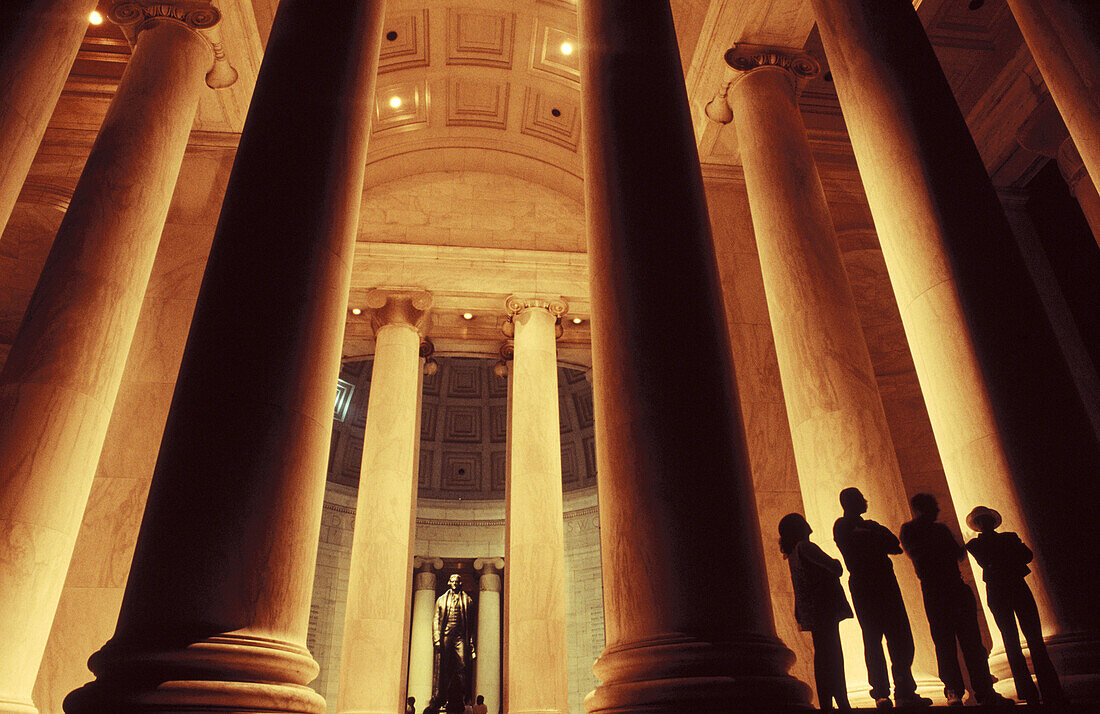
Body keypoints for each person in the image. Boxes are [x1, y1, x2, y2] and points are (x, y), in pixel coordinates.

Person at [900, 494, 1012, 706]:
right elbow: (947, 554)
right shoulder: (917, 530)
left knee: (967, 642)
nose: (938, 510)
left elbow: (952, 553)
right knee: (947, 643)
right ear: (923, 508)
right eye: (934, 506)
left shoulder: (930, 530)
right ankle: (957, 690)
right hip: (939, 590)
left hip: (947, 589)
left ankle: (980, 690)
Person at [834, 487, 931, 709]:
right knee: (874, 639)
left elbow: (894, 545)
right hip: (867, 586)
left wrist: (867, 536)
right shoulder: (842, 525)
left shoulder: (869, 526)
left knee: (900, 639)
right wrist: (873, 539)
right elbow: (862, 544)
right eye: (860, 498)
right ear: (850, 502)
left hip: (884, 584)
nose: (864, 501)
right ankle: (881, 693)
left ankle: (904, 691)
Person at [965, 506, 1066, 705]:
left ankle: (1034, 691)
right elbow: (1025, 556)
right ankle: (1047, 689)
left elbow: (1022, 556)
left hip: (1000, 590)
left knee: (1019, 640)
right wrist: (1008, 558)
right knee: (1023, 640)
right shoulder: (1007, 539)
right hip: (1014, 587)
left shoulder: (979, 544)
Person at [779, 513, 853, 710]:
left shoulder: (792, 553)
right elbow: (836, 568)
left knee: (823, 656)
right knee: (833, 655)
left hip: (812, 609)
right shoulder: (805, 547)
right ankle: (841, 700)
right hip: (824, 607)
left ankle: (828, 702)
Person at [425, 574, 477, 714]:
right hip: (446, 635)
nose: (454, 584)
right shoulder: (441, 600)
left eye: (457, 582)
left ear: (460, 583)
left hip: (460, 636)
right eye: (452, 581)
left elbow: (471, 625)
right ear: (449, 583)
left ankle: (464, 697)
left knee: (463, 666)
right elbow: (436, 620)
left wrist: (471, 644)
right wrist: (436, 639)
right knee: (445, 668)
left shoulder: (468, 600)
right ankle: (443, 698)